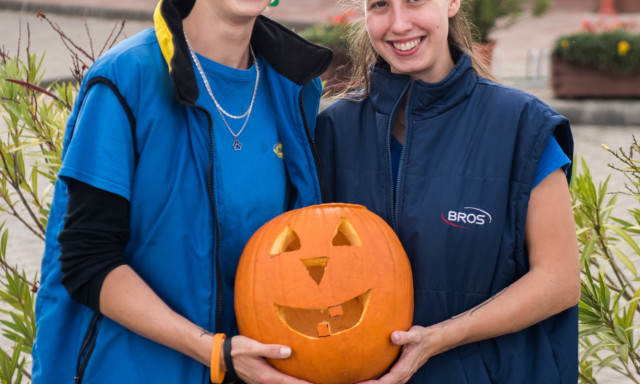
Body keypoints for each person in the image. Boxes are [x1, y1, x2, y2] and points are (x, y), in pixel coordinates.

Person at [31, 0, 332, 383]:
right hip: (129, 371)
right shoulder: (126, 78)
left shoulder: (295, 88)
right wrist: (215, 350)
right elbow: (87, 261)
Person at [315, 0, 580, 383]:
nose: (399, 23)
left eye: (414, 2)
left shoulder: (522, 126)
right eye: (380, 6)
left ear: (452, 3)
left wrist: (438, 338)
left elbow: (558, 281)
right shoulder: (333, 131)